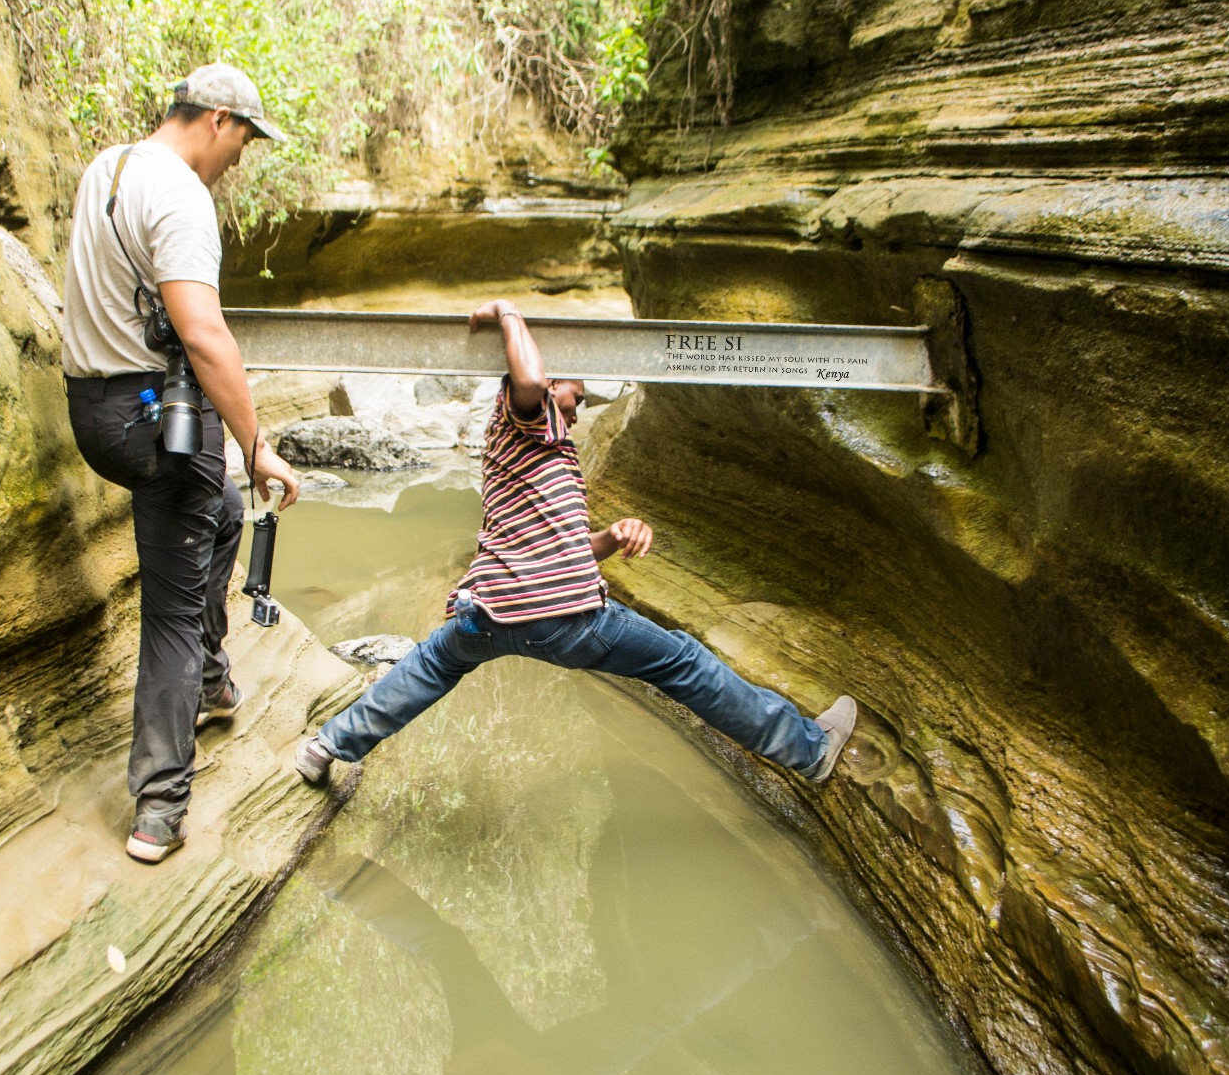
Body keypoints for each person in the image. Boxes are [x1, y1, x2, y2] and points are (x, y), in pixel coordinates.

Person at [293, 299, 857, 790]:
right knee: (683, 660)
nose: (576, 407)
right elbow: (532, 383)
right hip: (563, 621)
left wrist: (610, 538)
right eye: (573, 394)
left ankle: (325, 747)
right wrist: (508, 312)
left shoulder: (542, 453)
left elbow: (554, 554)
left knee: (430, 665)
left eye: (581, 403)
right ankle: (808, 751)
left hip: (485, 611)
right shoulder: (526, 419)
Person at [63, 62, 302, 865]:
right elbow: (203, 335)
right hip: (156, 422)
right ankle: (159, 806)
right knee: (169, 607)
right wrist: (255, 444)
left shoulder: (109, 167)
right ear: (218, 119)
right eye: (245, 140)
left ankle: (209, 677)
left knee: (223, 513)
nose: (241, 159)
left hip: (93, 412)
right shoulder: (183, 198)